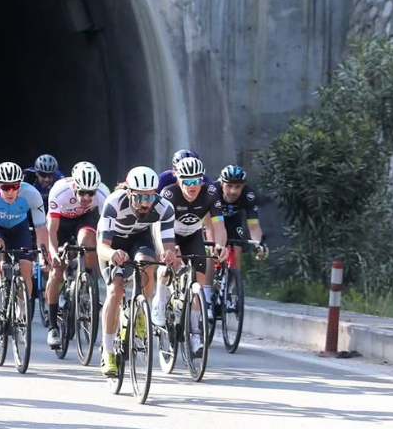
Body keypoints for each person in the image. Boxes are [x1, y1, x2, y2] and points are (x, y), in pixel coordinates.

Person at [96, 166, 179, 377]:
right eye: (140, 197)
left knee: (148, 264)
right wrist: (113, 253)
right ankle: (107, 351)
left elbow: (167, 243)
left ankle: (141, 311)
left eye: (150, 198)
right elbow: (102, 246)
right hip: (112, 242)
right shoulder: (114, 203)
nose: (145, 203)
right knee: (116, 290)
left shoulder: (164, 207)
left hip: (139, 239)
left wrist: (168, 254)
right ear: (130, 192)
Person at [156, 156, 222, 357]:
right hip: (170, 232)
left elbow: (218, 224)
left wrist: (220, 245)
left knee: (198, 283)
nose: (192, 186)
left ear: (202, 180)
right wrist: (169, 248)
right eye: (187, 181)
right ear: (178, 180)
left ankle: (195, 335)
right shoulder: (169, 194)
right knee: (169, 263)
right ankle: (159, 304)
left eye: (196, 181)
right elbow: (161, 227)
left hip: (193, 233)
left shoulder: (210, 193)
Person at [0, 162, 49, 325]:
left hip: (19, 228)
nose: (10, 191)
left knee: (26, 267)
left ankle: (23, 308)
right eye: (5, 187)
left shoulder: (31, 193)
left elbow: (41, 229)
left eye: (15, 186)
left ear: (20, 184)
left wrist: (45, 256)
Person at [44, 161, 107, 348]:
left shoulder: (103, 193)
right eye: (82, 192)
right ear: (74, 187)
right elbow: (51, 231)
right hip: (60, 222)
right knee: (56, 272)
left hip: (84, 219)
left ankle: (86, 284)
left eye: (91, 193)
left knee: (89, 241)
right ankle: (53, 327)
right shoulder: (59, 191)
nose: (87, 197)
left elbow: (107, 228)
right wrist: (54, 254)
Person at [208, 164, 268, 264]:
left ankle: (234, 278)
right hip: (213, 220)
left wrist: (259, 246)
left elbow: (254, 226)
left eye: (238, 186)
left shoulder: (248, 196)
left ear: (243, 186)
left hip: (233, 219)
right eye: (229, 186)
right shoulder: (212, 191)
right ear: (222, 184)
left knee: (236, 253)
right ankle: (208, 278)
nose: (233, 191)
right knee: (213, 253)